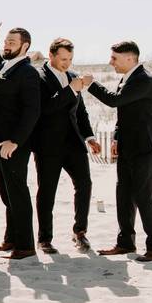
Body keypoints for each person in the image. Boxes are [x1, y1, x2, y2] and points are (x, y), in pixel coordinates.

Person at [85, 41, 152, 262]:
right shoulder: (128, 78)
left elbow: (115, 101)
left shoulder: (145, 80)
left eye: (114, 58)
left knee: (143, 198)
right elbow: (125, 112)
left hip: (147, 147)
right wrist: (117, 138)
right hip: (129, 147)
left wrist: (91, 84)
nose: (111, 62)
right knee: (123, 196)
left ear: (130, 58)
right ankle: (126, 244)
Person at [33, 38, 101, 253]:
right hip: (48, 145)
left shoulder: (73, 77)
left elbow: (80, 112)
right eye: (63, 59)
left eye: (70, 59)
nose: (67, 63)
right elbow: (44, 109)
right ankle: (45, 238)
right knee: (47, 191)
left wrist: (89, 137)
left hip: (74, 143)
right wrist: (71, 90)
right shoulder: (37, 77)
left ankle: (80, 232)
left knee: (85, 185)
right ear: (51, 55)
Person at [0, 24, 41, 260]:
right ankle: (11, 239)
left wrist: (15, 141)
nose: (7, 45)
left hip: (13, 144)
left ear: (25, 46)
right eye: (6, 42)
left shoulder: (27, 72)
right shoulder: (8, 66)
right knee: (7, 195)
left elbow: (32, 110)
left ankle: (26, 246)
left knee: (17, 193)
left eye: (12, 42)